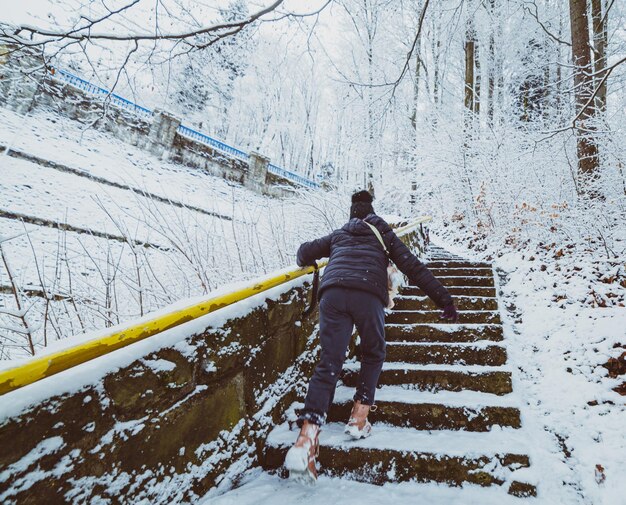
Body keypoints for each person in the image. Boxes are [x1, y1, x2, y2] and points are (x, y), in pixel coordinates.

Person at [284, 190, 458, 483]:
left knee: (329, 362)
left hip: (334, 293)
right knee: (374, 352)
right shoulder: (384, 233)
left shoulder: (339, 234)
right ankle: (358, 418)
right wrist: (444, 300)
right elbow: (412, 267)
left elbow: (304, 252)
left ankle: (306, 439)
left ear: (353, 213)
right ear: (373, 213)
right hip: (367, 293)